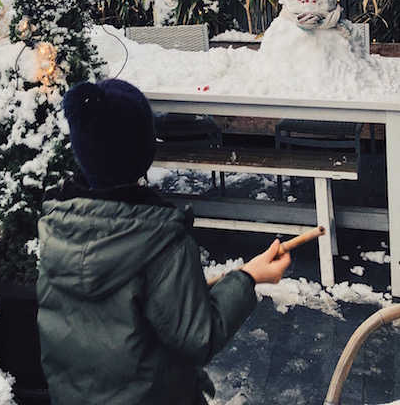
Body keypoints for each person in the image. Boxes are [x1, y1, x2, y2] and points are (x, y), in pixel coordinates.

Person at [37, 78, 290, 405]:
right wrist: (248, 278)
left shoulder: (55, 228)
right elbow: (199, 337)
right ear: (145, 150)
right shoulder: (162, 242)